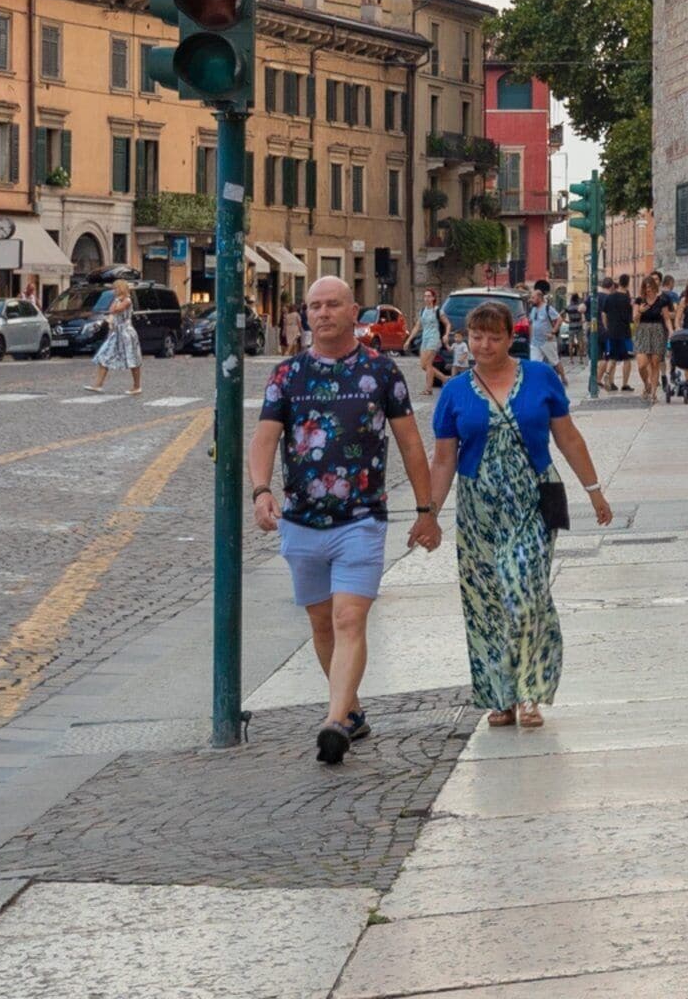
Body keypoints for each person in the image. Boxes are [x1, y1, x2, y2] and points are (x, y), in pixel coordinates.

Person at [249, 278, 441, 765]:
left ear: (353, 310)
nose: (323, 313)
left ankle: (333, 724)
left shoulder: (381, 372)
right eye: (314, 306)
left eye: (333, 304)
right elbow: (266, 438)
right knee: (321, 625)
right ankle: (351, 711)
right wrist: (261, 490)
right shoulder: (286, 374)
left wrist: (426, 510)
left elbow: (411, 443)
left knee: (348, 617)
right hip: (300, 521)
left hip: (361, 520)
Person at [426, 298, 611, 729]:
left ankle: (531, 692)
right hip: (478, 511)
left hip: (530, 503)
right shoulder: (453, 392)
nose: (484, 345)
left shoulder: (541, 378)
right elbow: (443, 460)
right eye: (476, 336)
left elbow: (568, 438)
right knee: (486, 603)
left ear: (512, 338)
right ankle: (500, 696)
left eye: (494, 337)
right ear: (465, 339)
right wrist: (429, 513)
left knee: (526, 597)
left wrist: (594, 491)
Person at [84, 277, 142, 396]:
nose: (113, 290)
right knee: (104, 355)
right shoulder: (117, 299)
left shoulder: (127, 300)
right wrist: (116, 300)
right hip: (116, 333)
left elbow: (117, 309)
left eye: (115, 288)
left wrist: (117, 302)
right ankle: (98, 385)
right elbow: (111, 310)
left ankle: (137, 386)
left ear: (120, 288)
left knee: (133, 359)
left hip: (127, 333)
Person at [591, 278, 634, 397]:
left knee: (612, 357)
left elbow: (603, 313)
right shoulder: (626, 298)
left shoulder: (609, 298)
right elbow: (630, 316)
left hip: (612, 331)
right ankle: (625, 384)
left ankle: (608, 375)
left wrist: (606, 327)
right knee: (627, 358)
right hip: (624, 331)